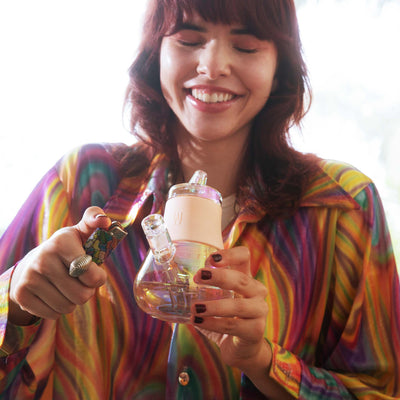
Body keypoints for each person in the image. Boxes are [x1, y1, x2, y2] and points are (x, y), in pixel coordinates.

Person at [0, 0, 399, 398]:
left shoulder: (342, 209)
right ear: (156, 51)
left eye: (245, 46)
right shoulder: (83, 182)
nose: (212, 66)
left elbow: (381, 391)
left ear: (281, 67)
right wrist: (17, 297)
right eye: (189, 39)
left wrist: (262, 362)